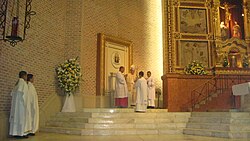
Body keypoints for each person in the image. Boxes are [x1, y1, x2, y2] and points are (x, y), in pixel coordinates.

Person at [9, 71, 30, 138]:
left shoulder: (17, 84)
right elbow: (25, 96)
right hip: (21, 106)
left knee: (16, 119)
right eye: (26, 76)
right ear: (24, 76)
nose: (26, 77)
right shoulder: (23, 83)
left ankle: (15, 132)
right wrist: (27, 106)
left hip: (16, 106)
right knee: (21, 119)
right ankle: (21, 133)